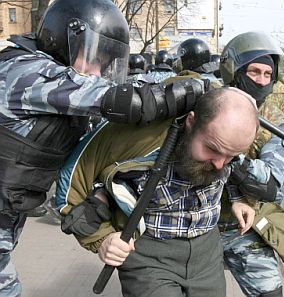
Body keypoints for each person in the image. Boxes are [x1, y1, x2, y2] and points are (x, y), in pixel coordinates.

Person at [0, 0, 206, 295]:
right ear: (63, 39)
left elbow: (130, 88)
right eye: (94, 58)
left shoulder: (55, 93)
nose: (97, 72)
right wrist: (192, 89)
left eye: (105, 64)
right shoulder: (24, 73)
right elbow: (126, 101)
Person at [55, 87, 259, 297]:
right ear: (191, 121)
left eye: (231, 156)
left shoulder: (226, 145)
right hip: (147, 256)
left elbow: (238, 167)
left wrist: (240, 197)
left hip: (208, 254)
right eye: (212, 149)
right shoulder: (133, 138)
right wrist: (102, 239)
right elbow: (69, 186)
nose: (219, 164)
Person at [218, 31, 284, 297]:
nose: (261, 81)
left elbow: (269, 186)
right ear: (235, 71)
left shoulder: (279, 124)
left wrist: (224, 149)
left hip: (245, 228)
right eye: (254, 72)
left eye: (267, 74)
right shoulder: (207, 108)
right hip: (199, 226)